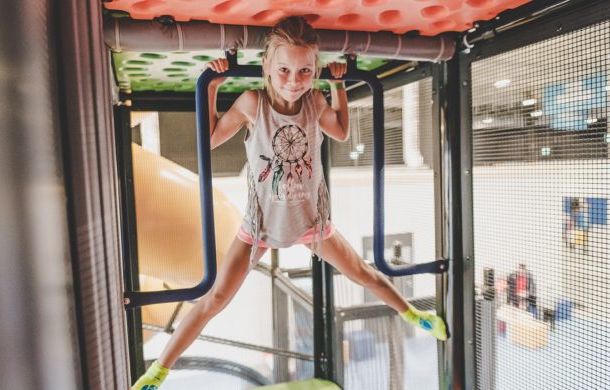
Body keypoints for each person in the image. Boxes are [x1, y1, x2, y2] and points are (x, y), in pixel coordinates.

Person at [131, 16, 447, 390]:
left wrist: (336, 86)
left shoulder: (313, 100)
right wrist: (213, 85)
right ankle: (159, 371)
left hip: (312, 224)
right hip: (260, 229)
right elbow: (210, 138)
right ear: (266, 65)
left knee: (362, 273)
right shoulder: (253, 103)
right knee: (214, 298)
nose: (293, 80)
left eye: (304, 71)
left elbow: (342, 131)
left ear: (313, 72)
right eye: (283, 69)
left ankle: (413, 315)